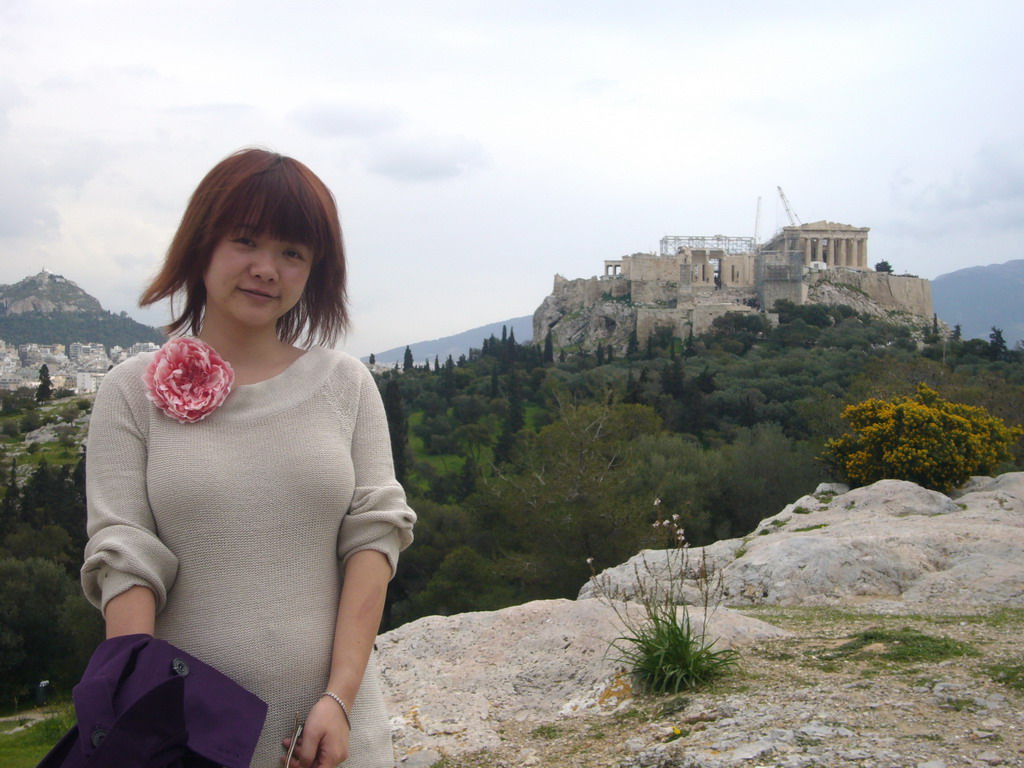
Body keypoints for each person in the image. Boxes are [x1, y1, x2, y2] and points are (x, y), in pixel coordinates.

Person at [81, 148, 416, 768]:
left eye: (292, 252)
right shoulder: (129, 391)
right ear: (201, 245)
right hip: (188, 737)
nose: (267, 268)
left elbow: (375, 537)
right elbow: (124, 554)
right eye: (245, 241)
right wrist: (143, 723)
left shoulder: (346, 385)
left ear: (314, 271)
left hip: (331, 734)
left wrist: (338, 699)